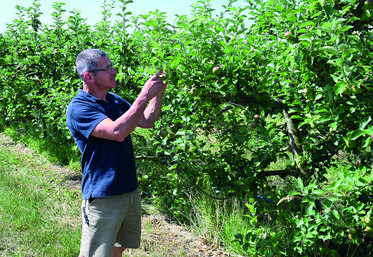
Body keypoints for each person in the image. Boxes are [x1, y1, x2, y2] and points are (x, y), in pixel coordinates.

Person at [66, 49, 167, 257]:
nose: (114, 71)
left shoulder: (114, 100)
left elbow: (147, 121)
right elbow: (117, 132)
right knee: (96, 253)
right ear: (89, 76)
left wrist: (158, 92)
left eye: (112, 66)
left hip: (128, 190)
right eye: (107, 68)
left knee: (117, 249)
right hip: (103, 195)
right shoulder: (79, 108)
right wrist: (144, 94)